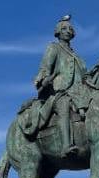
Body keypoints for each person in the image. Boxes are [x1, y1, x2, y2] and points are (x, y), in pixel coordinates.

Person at [33, 15, 89, 157]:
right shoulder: (54, 48)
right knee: (63, 107)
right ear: (58, 32)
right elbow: (45, 67)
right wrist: (43, 79)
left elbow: (84, 76)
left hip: (79, 92)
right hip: (60, 92)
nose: (68, 31)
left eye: (70, 29)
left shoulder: (77, 56)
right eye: (64, 28)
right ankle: (66, 146)